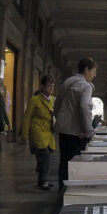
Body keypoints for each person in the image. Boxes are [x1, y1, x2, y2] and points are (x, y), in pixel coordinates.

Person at [54, 57, 96, 190]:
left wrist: (61, 120)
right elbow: (84, 108)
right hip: (77, 133)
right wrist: (88, 130)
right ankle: (72, 192)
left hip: (63, 130)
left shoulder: (66, 83)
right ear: (86, 70)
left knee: (64, 162)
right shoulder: (85, 86)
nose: (95, 75)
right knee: (75, 164)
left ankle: (62, 189)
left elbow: (57, 105)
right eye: (93, 71)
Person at [22, 76, 56, 190]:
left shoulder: (53, 100)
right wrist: (25, 135)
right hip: (38, 131)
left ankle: (43, 178)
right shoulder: (35, 100)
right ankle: (42, 181)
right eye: (49, 86)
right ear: (42, 87)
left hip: (48, 131)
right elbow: (27, 117)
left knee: (47, 155)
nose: (51, 88)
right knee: (44, 155)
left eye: (52, 86)